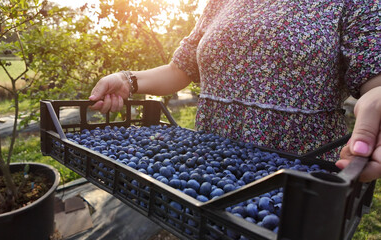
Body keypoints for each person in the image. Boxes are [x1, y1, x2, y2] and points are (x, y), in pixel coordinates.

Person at [89, 0, 381, 182]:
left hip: (297, 176)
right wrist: (128, 79)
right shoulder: (222, 1)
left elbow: (375, 79)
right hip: (206, 165)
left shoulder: (355, 3)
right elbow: (181, 69)